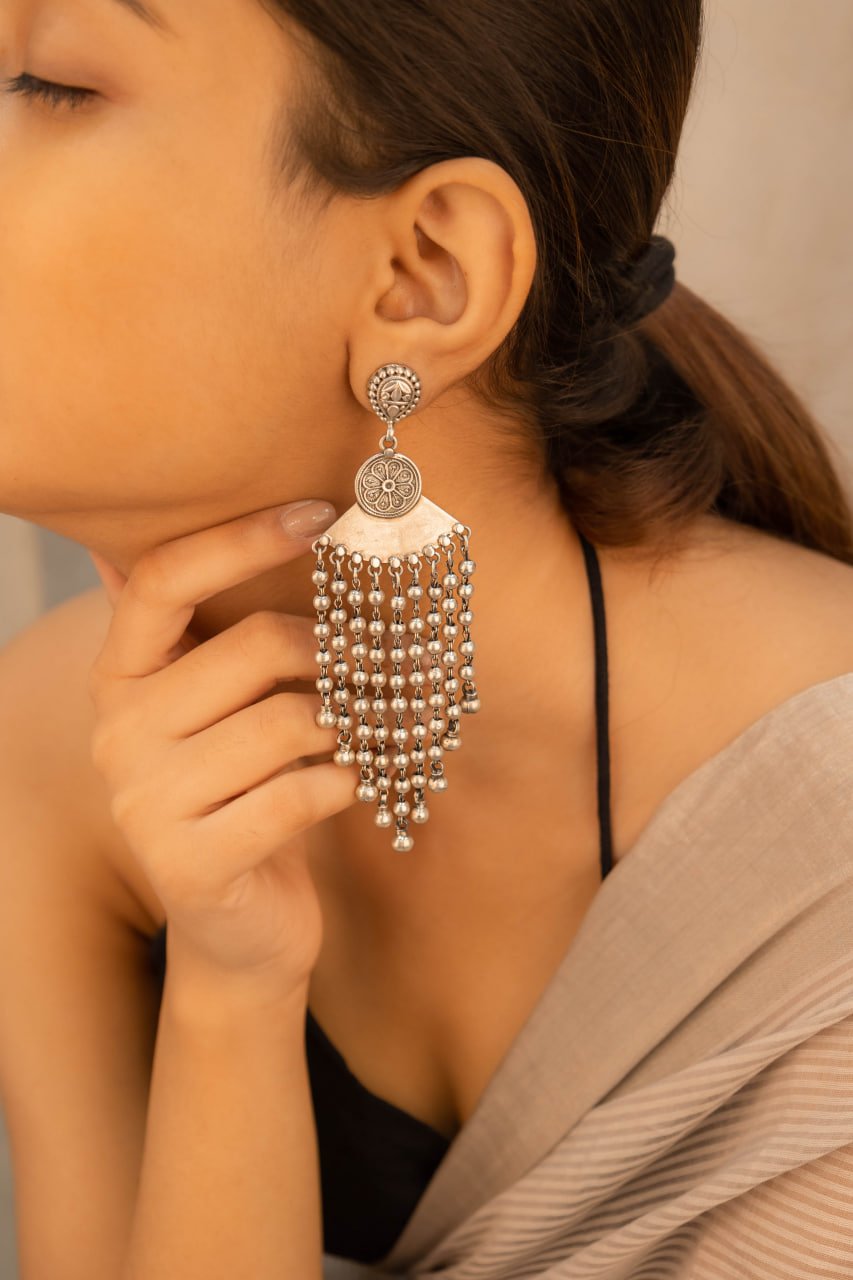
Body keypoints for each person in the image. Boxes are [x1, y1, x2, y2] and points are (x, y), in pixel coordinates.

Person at [0, 1, 852, 1277]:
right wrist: (232, 997)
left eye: (52, 84)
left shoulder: (825, 844)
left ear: (424, 274)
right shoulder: (53, 749)